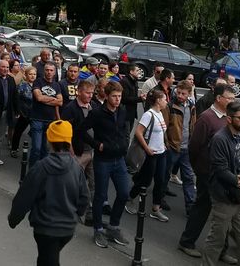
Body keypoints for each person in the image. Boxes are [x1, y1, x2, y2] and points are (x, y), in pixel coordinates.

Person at [7, 120, 89, 266]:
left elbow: (24, 197)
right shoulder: (76, 168)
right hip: (67, 229)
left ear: (50, 140)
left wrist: (13, 219)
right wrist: (75, 215)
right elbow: (84, 197)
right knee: (46, 259)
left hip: (45, 228)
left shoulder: (41, 167)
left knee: (47, 259)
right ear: (69, 141)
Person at [178, 83, 236, 260]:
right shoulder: (207, 118)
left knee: (225, 213)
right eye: (229, 98)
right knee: (202, 208)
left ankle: (221, 250)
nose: (233, 101)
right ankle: (186, 242)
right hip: (208, 173)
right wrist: (200, 169)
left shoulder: (228, 117)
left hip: (224, 172)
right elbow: (194, 147)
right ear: (219, 98)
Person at [201, 101, 240, 266]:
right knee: (217, 239)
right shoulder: (219, 139)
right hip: (224, 197)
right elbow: (220, 170)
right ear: (229, 119)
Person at [79, 81, 131, 249]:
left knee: (124, 193)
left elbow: (125, 128)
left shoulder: (122, 111)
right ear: (107, 96)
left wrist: (125, 143)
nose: (117, 99)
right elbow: (81, 130)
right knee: (100, 196)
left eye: (119, 96)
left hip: (119, 159)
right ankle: (98, 229)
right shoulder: (97, 113)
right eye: (114, 96)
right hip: (103, 160)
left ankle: (113, 227)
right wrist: (97, 145)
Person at [124, 88, 170, 222]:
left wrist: (163, 144)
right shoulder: (149, 114)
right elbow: (138, 132)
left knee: (160, 181)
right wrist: (147, 148)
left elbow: (160, 132)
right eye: (164, 99)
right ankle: (130, 198)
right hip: (151, 154)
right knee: (145, 180)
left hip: (161, 153)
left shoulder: (160, 113)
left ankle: (156, 209)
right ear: (158, 101)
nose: (166, 101)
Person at [60, 79, 96, 226]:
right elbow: (65, 133)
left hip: (91, 151)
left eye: (92, 93)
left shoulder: (93, 106)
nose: (90, 96)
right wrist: (71, 153)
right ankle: (72, 211)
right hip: (78, 153)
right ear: (79, 92)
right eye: (87, 93)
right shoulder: (70, 109)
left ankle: (89, 212)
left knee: (93, 183)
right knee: (76, 184)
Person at [162, 79, 197, 215]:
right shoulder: (170, 106)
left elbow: (193, 124)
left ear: (189, 94)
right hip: (173, 147)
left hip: (187, 147)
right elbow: (164, 126)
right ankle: (159, 199)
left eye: (183, 93)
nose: (180, 96)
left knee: (188, 177)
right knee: (165, 174)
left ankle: (190, 205)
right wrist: (167, 144)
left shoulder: (191, 106)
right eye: (178, 93)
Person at [30, 63, 64, 166]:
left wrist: (45, 99)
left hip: (50, 121)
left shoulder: (57, 85)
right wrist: (53, 99)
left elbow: (60, 102)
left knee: (45, 150)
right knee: (36, 148)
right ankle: (32, 170)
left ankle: (42, 170)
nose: (49, 72)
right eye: (47, 70)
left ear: (54, 72)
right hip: (37, 119)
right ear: (44, 71)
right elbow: (38, 98)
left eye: (51, 70)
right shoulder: (38, 82)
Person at [11, 66, 36, 158]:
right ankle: (14, 149)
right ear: (26, 75)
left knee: (35, 132)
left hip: (35, 114)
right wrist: (18, 111)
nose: (32, 76)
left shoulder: (38, 86)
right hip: (24, 113)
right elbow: (16, 99)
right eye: (30, 74)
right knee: (18, 131)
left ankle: (35, 150)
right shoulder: (22, 86)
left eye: (34, 74)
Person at [120, 64, 144, 133]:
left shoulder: (135, 81)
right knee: (126, 135)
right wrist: (140, 99)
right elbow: (125, 99)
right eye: (137, 70)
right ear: (131, 71)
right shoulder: (124, 82)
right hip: (125, 114)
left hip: (132, 114)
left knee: (128, 133)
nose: (139, 72)